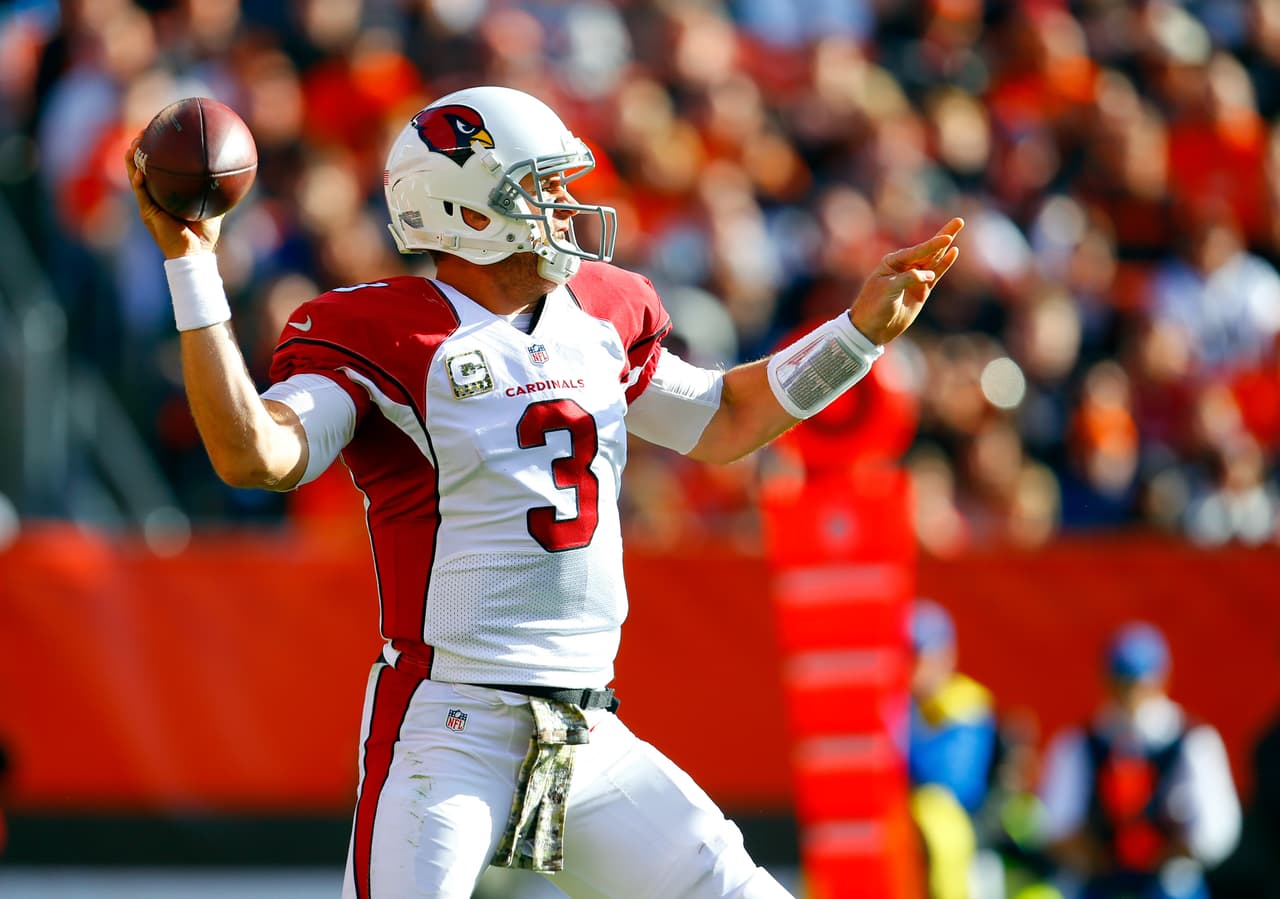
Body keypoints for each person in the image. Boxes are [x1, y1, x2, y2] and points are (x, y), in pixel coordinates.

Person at [124, 84, 963, 898]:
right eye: (540, 188)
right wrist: (193, 269)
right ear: (468, 212)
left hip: (587, 731)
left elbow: (726, 419)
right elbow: (255, 454)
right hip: (451, 729)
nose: (565, 205)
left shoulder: (599, 311)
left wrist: (857, 336)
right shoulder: (383, 332)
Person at [1039, 622, 1242, 899]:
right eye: (1122, 683)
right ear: (1106, 681)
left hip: (1169, 885)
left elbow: (1214, 832)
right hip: (1098, 885)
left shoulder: (1193, 743)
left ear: (1162, 678)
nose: (1131, 695)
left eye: (1140, 683)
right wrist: (1103, 860)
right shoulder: (1077, 744)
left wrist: (1166, 851)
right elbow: (1055, 826)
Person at [908, 598, 1000, 899]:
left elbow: (954, 782)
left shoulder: (967, 704)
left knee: (936, 811)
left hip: (972, 847)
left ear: (947, 654)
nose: (914, 666)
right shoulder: (902, 706)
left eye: (920, 654)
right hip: (908, 852)